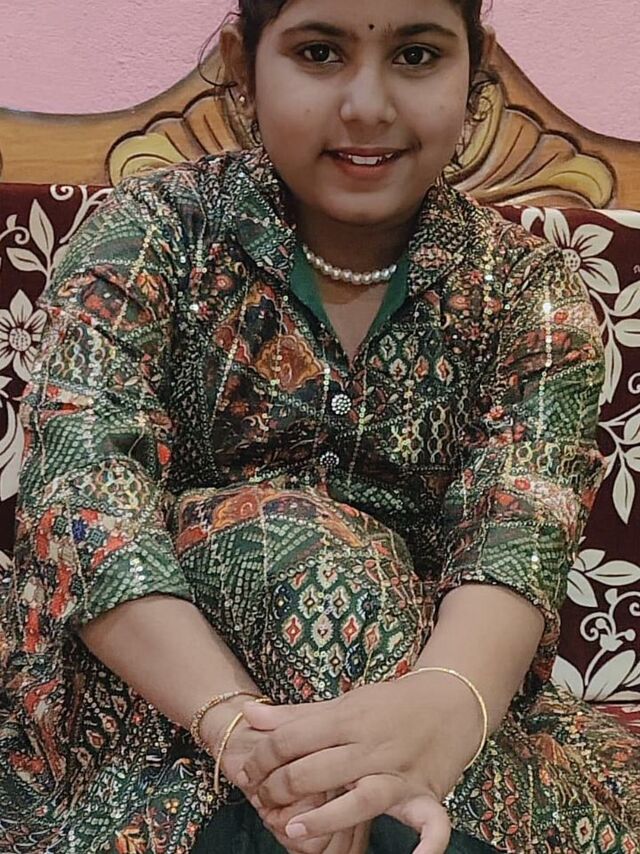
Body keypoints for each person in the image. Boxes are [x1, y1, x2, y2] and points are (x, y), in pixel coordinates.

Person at [0, 0, 638, 851]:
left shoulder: (528, 289)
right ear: (243, 64)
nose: (368, 105)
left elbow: (522, 531)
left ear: (474, 68)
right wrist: (249, 737)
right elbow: (86, 507)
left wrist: (436, 713)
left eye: (417, 55)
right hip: (149, 722)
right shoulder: (149, 235)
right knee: (305, 555)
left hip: (427, 706)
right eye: (319, 52)